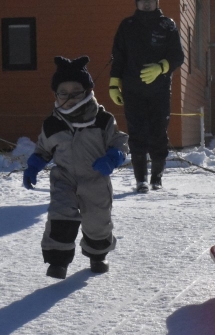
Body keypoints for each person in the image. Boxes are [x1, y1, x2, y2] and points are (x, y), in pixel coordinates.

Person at [23, 56, 129, 279]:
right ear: (56, 95)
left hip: (95, 179)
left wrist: (113, 157)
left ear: (87, 91)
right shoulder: (52, 124)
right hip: (64, 179)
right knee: (60, 217)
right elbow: (43, 149)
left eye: (76, 92)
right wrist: (33, 166)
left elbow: (119, 142)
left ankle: (98, 255)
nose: (69, 98)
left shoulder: (102, 120)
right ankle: (58, 261)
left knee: (97, 221)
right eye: (63, 93)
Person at [109, 0, 184, 193]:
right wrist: (114, 83)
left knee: (159, 134)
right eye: (143, 0)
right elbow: (118, 57)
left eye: (151, 0)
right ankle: (140, 179)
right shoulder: (127, 26)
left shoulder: (167, 25)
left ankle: (156, 178)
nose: (147, 4)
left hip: (159, 91)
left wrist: (161, 67)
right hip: (132, 91)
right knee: (137, 134)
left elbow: (177, 56)